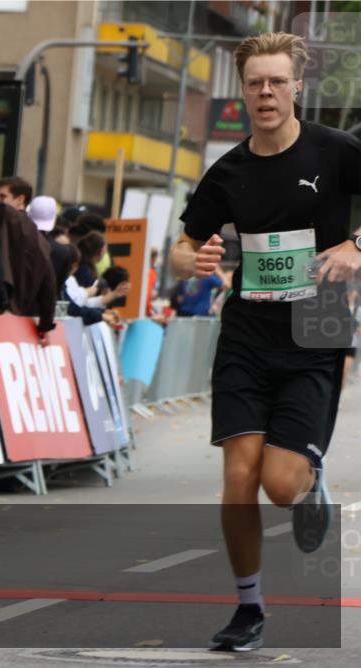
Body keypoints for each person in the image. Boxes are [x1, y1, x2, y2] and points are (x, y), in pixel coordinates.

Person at [168, 32, 361, 652]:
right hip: (247, 334)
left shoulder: (336, 151)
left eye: (278, 81)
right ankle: (248, 608)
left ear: (297, 86)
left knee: (280, 485)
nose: (267, 92)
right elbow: (181, 247)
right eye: (256, 83)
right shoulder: (229, 171)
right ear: (244, 91)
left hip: (317, 326)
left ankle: (308, 480)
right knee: (238, 476)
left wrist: (356, 246)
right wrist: (192, 261)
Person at [0, 123, 57, 338]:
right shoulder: (39, 239)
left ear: (20, 200)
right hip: (18, 326)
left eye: (3, 197)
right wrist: (45, 326)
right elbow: (49, 288)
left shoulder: (11, 219)